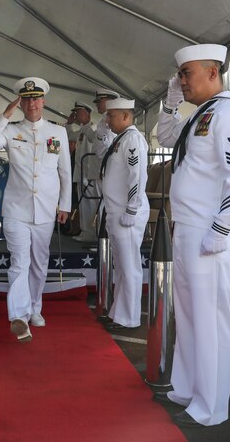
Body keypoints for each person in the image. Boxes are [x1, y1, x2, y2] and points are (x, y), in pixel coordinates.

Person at [156, 44, 230, 427]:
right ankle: (186, 388)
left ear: (213, 73)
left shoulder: (229, 116)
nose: (182, 81)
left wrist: (221, 228)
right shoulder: (202, 114)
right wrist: (168, 106)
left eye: (188, 74)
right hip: (187, 228)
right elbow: (166, 138)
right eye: (180, 74)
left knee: (210, 319)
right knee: (188, 315)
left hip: (210, 234)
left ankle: (211, 406)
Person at [0, 76, 72, 342]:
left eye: (36, 98)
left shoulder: (58, 132)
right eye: (27, 99)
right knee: (20, 262)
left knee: (39, 264)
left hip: (45, 210)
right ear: (21, 103)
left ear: (44, 101)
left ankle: (34, 308)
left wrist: (65, 204)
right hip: (16, 209)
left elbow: (65, 171)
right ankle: (18, 316)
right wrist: (5, 115)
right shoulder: (10, 130)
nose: (32, 104)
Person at [100, 98, 149, 330]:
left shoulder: (132, 139)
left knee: (129, 266)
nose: (107, 120)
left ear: (126, 117)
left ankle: (129, 317)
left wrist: (132, 208)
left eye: (111, 116)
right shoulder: (121, 139)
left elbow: (136, 175)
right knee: (121, 266)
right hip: (116, 210)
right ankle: (119, 313)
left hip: (127, 212)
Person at [68, 101, 98, 243]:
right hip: (79, 174)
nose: (76, 115)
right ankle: (85, 231)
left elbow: (92, 154)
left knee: (90, 205)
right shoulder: (81, 130)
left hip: (89, 175)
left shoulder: (93, 129)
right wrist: (69, 123)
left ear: (87, 113)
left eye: (78, 112)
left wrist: (87, 177)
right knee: (83, 205)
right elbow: (69, 136)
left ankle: (92, 233)